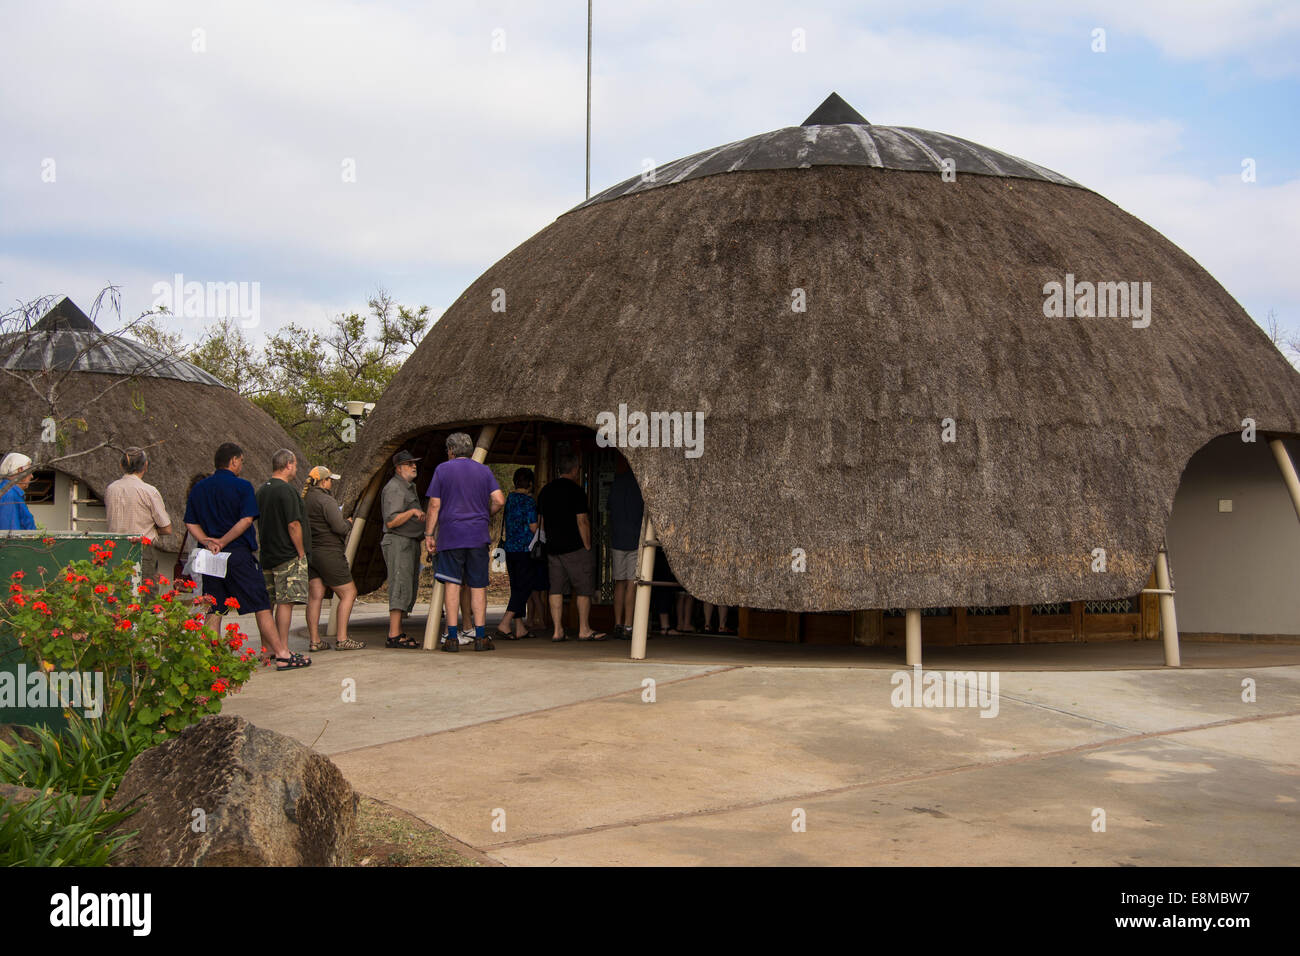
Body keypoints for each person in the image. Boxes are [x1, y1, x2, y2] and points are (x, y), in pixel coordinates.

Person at [184, 442, 308, 670]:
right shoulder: (242, 487)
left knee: (215, 605)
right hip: (238, 553)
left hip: (210, 556)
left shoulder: (200, 488)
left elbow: (190, 521)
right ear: (233, 461)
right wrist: (224, 541)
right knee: (261, 603)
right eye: (241, 461)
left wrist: (208, 541)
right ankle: (281, 653)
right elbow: (246, 520)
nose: (242, 465)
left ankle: (212, 658)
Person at [424, 432, 505, 652]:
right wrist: (484, 514)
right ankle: (480, 636)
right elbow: (499, 499)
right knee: (478, 586)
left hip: (451, 535)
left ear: (450, 450)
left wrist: (429, 535)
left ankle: (451, 637)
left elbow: (434, 505)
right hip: (478, 536)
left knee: (452, 584)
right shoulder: (484, 471)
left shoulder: (442, 470)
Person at [537, 452, 605, 642]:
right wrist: (588, 545)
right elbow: (582, 520)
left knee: (556, 589)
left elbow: (540, 521)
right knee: (584, 588)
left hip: (552, 548)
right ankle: (584, 629)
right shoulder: (576, 491)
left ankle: (558, 630)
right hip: (575, 547)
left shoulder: (546, 490)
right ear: (575, 470)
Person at [302, 465, 364, 651]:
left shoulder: (305, 500)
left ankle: (315, 641)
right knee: (349, 593)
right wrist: (349, 522)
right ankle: (342, 638)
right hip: (329, 553)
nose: (331, 484)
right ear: (323, 481)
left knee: (315, 596)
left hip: (311, 553)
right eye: (330, 480)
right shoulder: (325, 500)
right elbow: (340, 528)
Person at [255, 449, 310, 656]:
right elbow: (293, 524)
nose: (296, 469)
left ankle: (266, 648)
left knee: (267, 603)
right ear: (288, 464)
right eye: (295, 465)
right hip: (287, 554)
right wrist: (301, 552)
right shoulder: (287, 491)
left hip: (267, 554)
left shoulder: (262, 491)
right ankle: (283, 648)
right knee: (285, 603)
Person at [104, 447, 172, 579]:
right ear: (145, 465)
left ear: (121, 465)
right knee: (144, 593)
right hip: (142, 548)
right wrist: (151, 529)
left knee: (118, 592)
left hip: (115, 547)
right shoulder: (149, 491)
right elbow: (167, 528)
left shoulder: (111, 489)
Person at [380, 449, 424, 648]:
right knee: (399, 584)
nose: (413, 466)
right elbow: (391, 521)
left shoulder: (408, 487)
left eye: (414, 463)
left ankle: (397, 631)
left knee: (407, 584)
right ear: (398, 468)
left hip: (409, 542)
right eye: (409, 464)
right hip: (398, 541)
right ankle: (394, 634)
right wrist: (413, 512)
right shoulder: (394, 488)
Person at [494, 467, 538, 640]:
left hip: (510, 549)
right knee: (525, 587)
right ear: (531, 483)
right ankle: (505, 623)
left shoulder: (509, 499)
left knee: (516, 587)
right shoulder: (529, 502)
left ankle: (520, 627)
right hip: (525, 549)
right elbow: (533, 526)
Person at [607, 455, 643, 640]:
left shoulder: (617, 483)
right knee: (632, 583)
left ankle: (617, 623)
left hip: (617, 538)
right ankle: (629, 624)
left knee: (619, 582)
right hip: (635, 538)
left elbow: (609, 508)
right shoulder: (642, 484)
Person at [0, 453, 37, 531]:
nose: (32, 476)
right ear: (20, 470)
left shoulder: (10, 492)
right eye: (29, 471)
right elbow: (9, 535)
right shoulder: (9, 495)